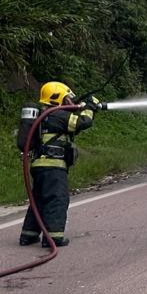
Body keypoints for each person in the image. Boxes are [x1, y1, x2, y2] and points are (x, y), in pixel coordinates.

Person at [18, 82, 100, 247]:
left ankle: (29, 234)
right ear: (57, 99)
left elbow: (70, 127)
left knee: (39, 199)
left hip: (39, 166)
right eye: (67, 98)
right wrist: (91, 107)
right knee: (57, 199)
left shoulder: (46, 115)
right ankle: (53, 237)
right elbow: (82, 122)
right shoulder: (58, 115)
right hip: (53, 166)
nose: (69, 101)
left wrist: (80, 107)